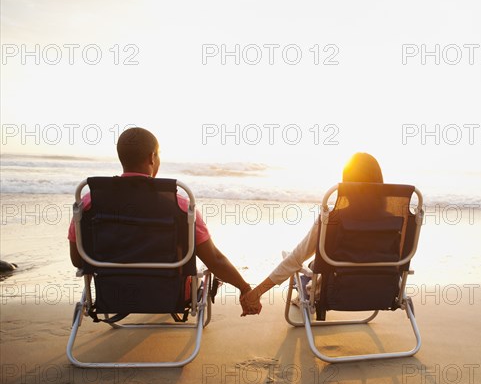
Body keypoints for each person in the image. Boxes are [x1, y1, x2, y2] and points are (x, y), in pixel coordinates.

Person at [67, 127, 261, 316]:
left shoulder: (89, 202)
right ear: (152, 157)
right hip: (169, 294)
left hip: (113, 293)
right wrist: (244, 288)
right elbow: (214, 260)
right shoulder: (180, 205)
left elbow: (78, 259)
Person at [241, 152, 384, 308]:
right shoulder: (396, 220)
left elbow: (295, 259)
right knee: (314, 264)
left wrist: (256, 293)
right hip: (381, 291)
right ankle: (308, 276)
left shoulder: (332, 218)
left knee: (306, 265)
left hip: (334, 293)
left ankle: (305, 284)